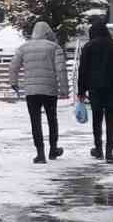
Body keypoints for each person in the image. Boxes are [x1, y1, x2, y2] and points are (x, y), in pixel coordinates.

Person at [10, 21, 70, 163]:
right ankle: (53, 150)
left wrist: (14, 82)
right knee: (52, 120)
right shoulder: (54, 47)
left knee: (35, 122)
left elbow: (13, 67)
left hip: (31, 91)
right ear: (47, 33)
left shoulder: (23, 48)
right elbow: (61, 69)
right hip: (49, 90)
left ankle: (40, 154)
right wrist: (64, 89)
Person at [76, 19, 113, 162]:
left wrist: (81, 91)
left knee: (97, 119)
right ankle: (109, 153)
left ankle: (98, 149)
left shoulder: (88, 47)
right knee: (111, 120)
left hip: (96, 89)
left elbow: (83, 71)